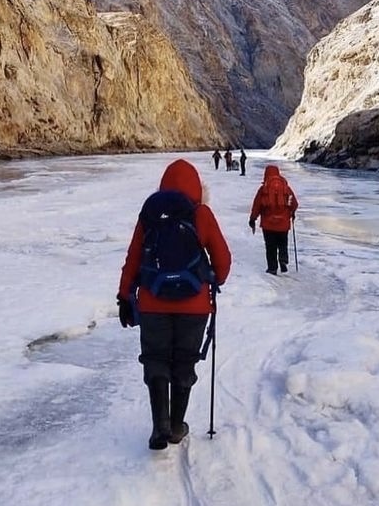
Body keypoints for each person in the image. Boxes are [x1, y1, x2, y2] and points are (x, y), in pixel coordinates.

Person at [117, 159, 232, 450]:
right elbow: (223, 261)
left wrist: (124, 296)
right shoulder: (201, 214)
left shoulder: (150, 214)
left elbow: (133, 258)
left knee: (155, 359)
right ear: (197, 187)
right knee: (184, 360)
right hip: (193, 306)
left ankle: (160, 426)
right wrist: (213, 278)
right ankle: (177, 426)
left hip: (153, 302)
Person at [248, 165, 298, 275]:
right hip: (283, 223)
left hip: (268, 224)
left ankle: (272, 268)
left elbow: (257, 206)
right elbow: (293, 203)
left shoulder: (263, 189)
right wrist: (292, 213)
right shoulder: (286, 188)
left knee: (271, 246)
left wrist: (252, 219)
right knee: (282, 243)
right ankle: (283, 259)